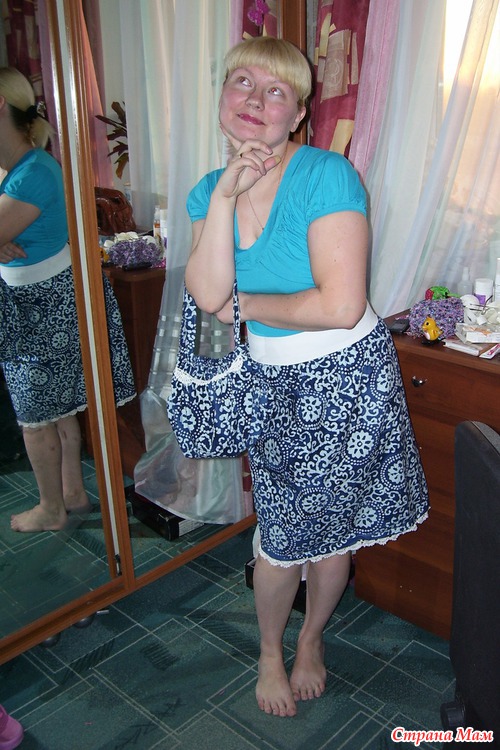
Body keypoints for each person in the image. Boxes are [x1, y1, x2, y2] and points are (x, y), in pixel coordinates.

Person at [184, 37, 429, 718]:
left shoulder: (326, 175)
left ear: (297, 114)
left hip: (348, 380)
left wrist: (243, 305)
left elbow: (340, 306)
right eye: (242, 82)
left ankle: (311, 638)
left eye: (276, 91)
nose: (254, 99)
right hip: (271, 379)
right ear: (222, 97)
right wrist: (226, 196)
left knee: (332, 534)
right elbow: (205, 294)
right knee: (278, 538)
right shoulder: (207, 191)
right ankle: (269, 650)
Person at [0, 67, 136, 533]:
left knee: (35, 418)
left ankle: (51, 508)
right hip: (42, 299)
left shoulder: (32, 173)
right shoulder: (23, 168)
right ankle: (72, 494)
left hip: (41, 304)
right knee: (56, 408)